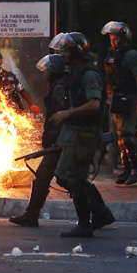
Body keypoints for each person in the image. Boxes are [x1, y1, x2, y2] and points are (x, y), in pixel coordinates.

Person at [49, 32, 115, 237]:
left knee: (76, 180)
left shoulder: (89, 75)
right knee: (62, 178)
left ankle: (85, 224)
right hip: (71, 133)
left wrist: (67, 113)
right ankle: (100, 211)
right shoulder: (74, 74)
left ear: (77, 52)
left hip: (84, 134)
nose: (63, 54)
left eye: (67, 50)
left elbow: (94, 104)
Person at [9, 54, 69, 227]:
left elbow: (65, 117)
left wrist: (60, 141)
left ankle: (98, 212)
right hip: (55, 142)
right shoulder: (57, 88)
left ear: (54, 71)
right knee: (43, 177)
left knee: (69, 180)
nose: (44, 74)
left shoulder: (60, 90)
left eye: (46, 70)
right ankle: (31, 214)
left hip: (60, 143)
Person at [101, 21, 137, 185]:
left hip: (130, 98)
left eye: (116, 37)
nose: (113, 41)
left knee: (127, 134)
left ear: (124, 37)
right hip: (116, 98)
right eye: (111, 38)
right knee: (121, 136)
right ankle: (127, 170)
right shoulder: (113, 54)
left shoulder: (132, 55)